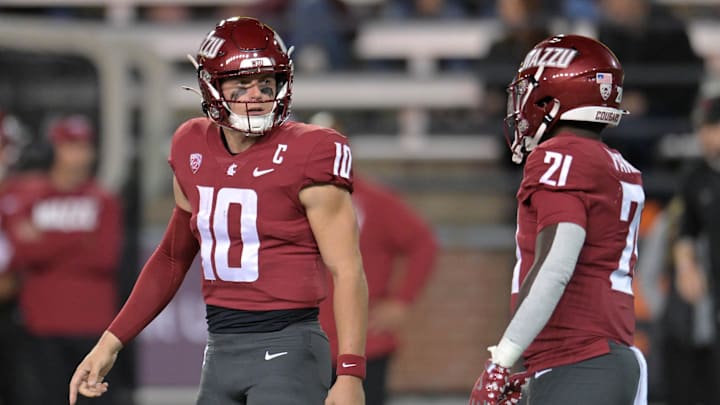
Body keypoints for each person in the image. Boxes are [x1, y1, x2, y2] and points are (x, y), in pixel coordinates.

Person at [69, 16, 368, 405]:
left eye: (266, 83)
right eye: (241, 84)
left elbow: (347, 270)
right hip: (221, 349)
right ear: (212, 85)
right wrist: (111, 341)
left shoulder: (311, 151)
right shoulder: (190, 144)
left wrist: (350, 373)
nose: (257, 94)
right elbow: (173, 257)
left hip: (287, 348)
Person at [468, 34, 647, 405]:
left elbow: (555, 266)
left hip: (582, 358)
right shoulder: (614, 164)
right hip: (602, 356)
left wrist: (501, 360)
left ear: (553, 97)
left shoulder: (561, 155)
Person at [1, 114, 126, 405]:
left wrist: (44, 240)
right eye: (69, 145)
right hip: (40, 325)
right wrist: (79, 239)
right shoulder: (26, 194)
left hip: (94, 329)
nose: (77, 155)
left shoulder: (104, 199)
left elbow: (104, 258)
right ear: (54, 148)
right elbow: (20, 252)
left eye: (83, 146)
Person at [319, 174, 438, 405]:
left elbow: (423, 242)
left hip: (364, 344)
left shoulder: (374, 201)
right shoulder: (288, 198)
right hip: (303, 344)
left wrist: (403, 300)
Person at [668, 94, 720, 405]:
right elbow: (686, 231)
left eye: (712, 126)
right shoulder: (697, 176)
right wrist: (686, 266)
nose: (704, 135)